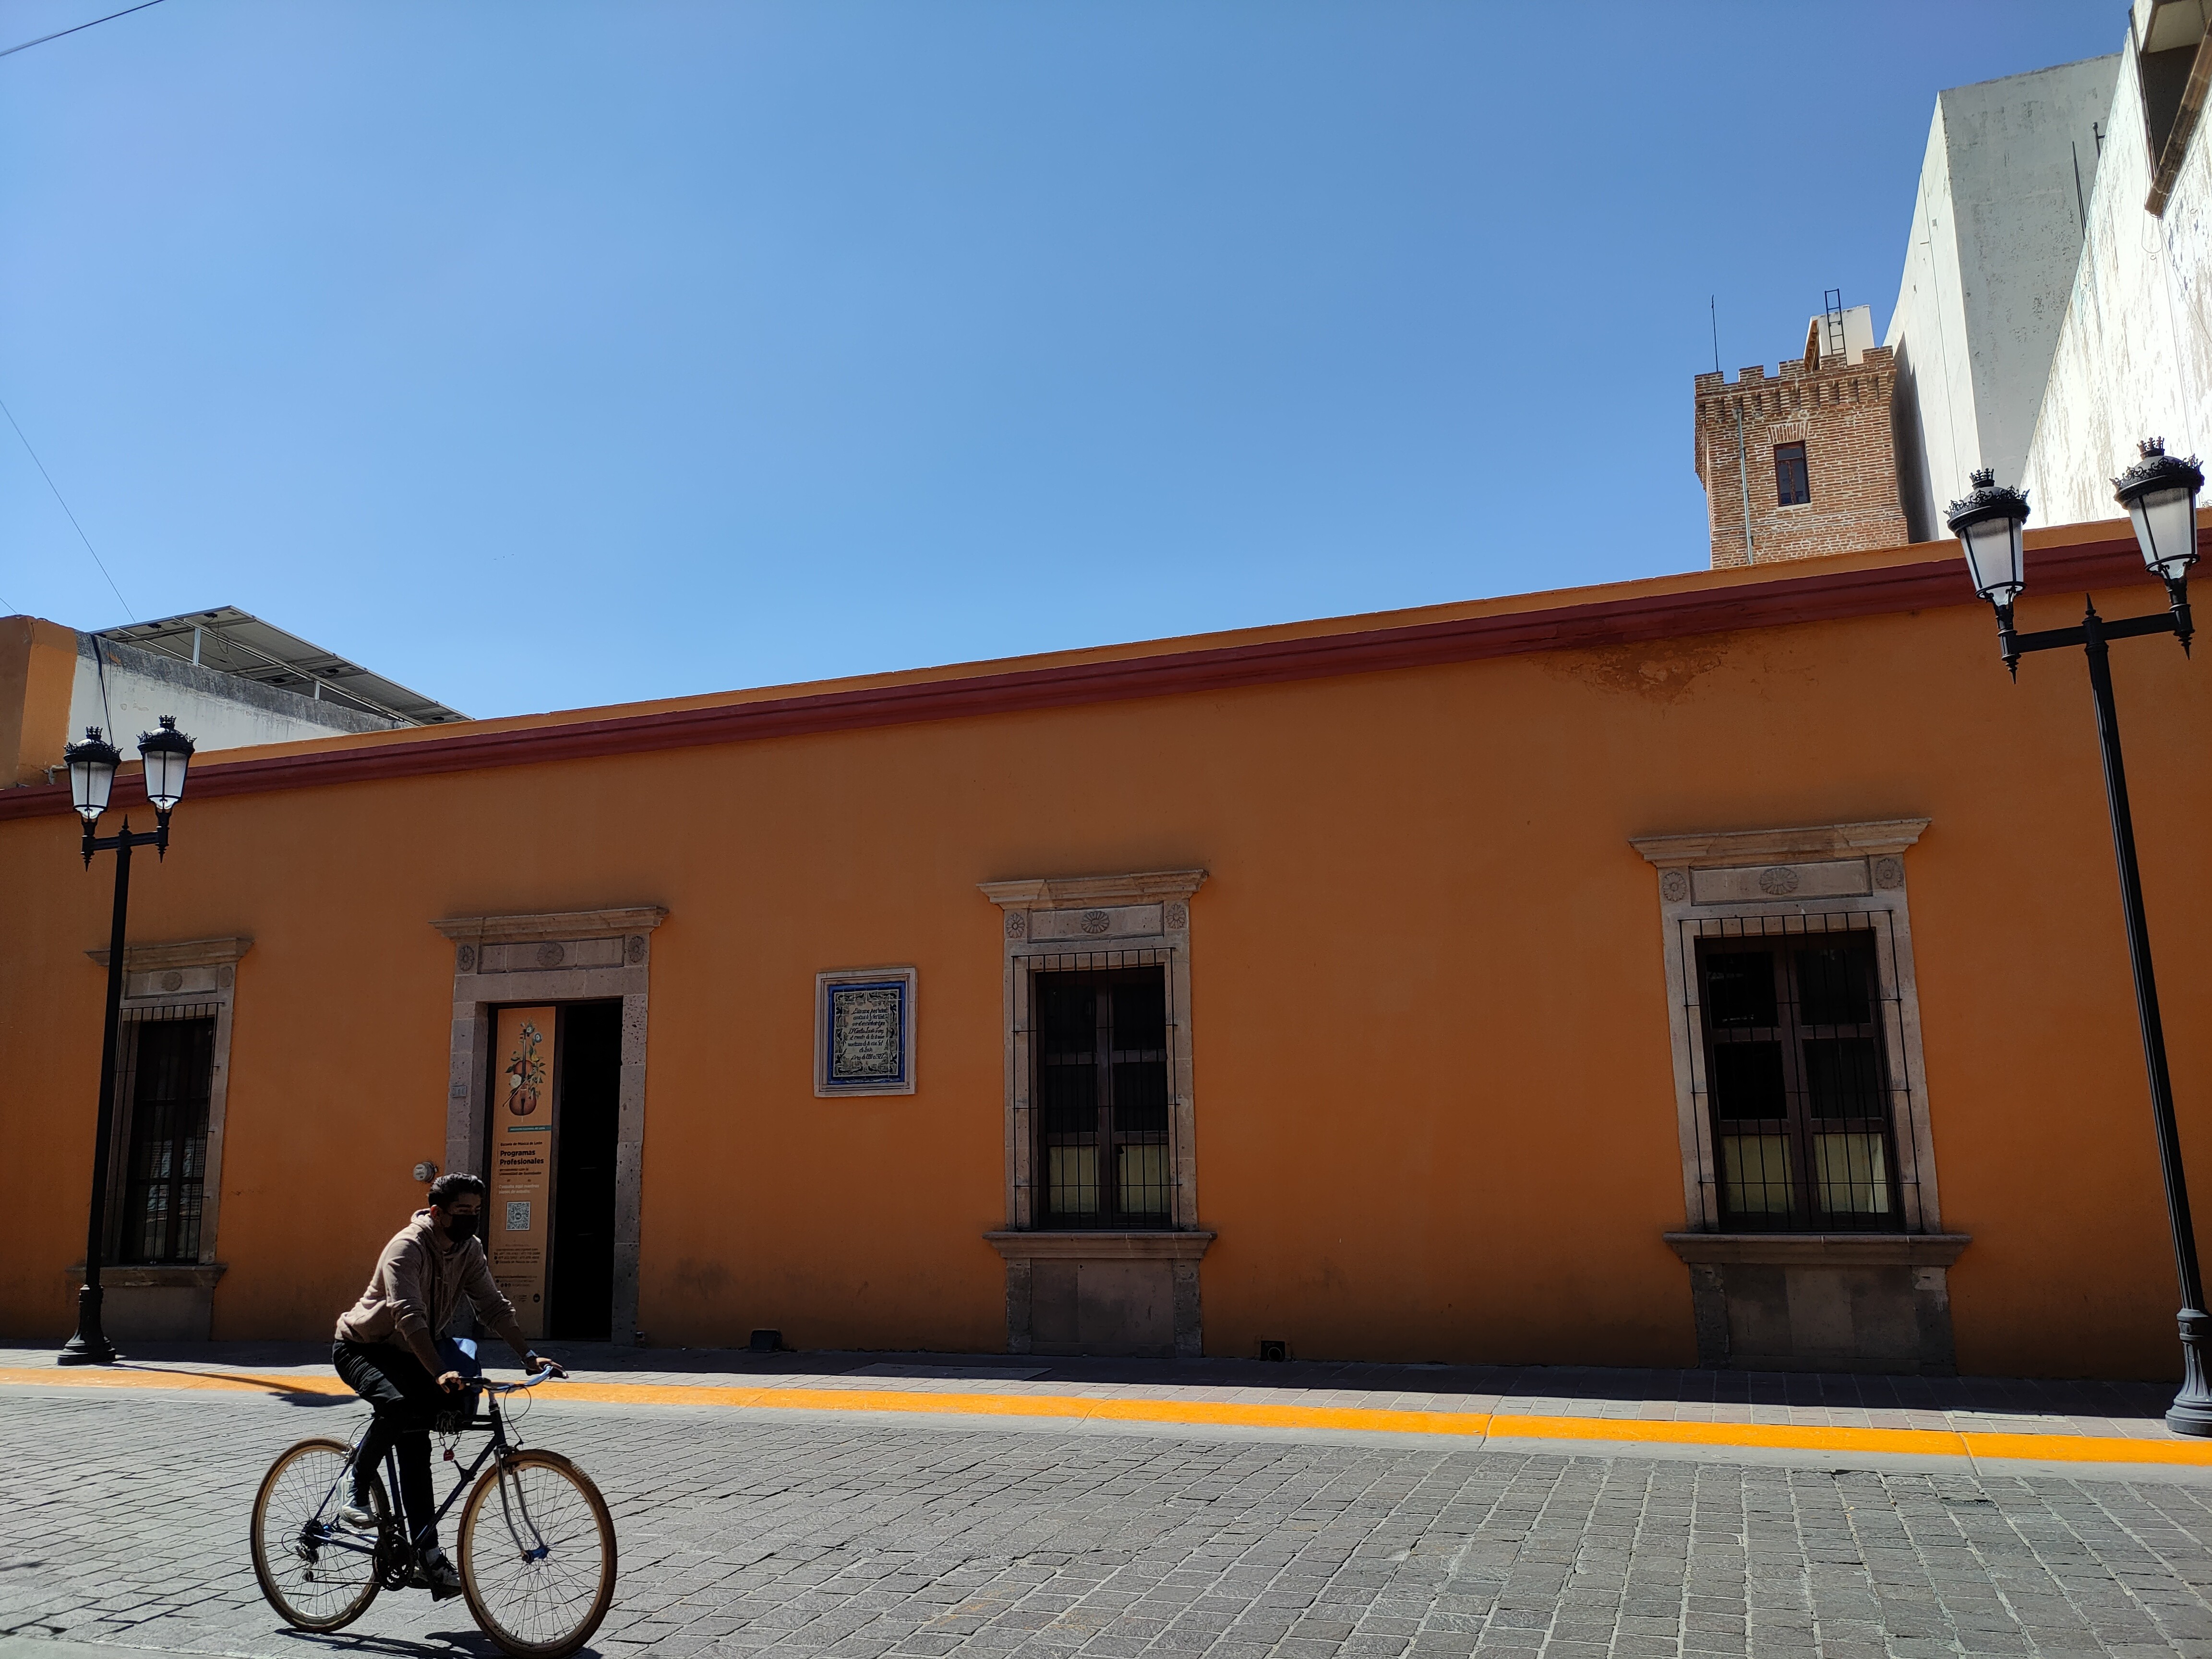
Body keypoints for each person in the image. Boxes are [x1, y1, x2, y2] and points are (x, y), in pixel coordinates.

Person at [332, 1172, 566, 1596]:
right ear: (438, 1213)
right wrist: (439, 1370)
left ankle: (426, 1555)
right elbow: (408, 1317)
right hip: (366, 1349)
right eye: (462, 1212)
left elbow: (492, 1306)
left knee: (419, 1446)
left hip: (417, 1354)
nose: (471, 1220)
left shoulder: (469, 1249)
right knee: (400, 1407)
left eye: (477, 1212)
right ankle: (358, 1486)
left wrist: (528, 1357)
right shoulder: (407, 1247)